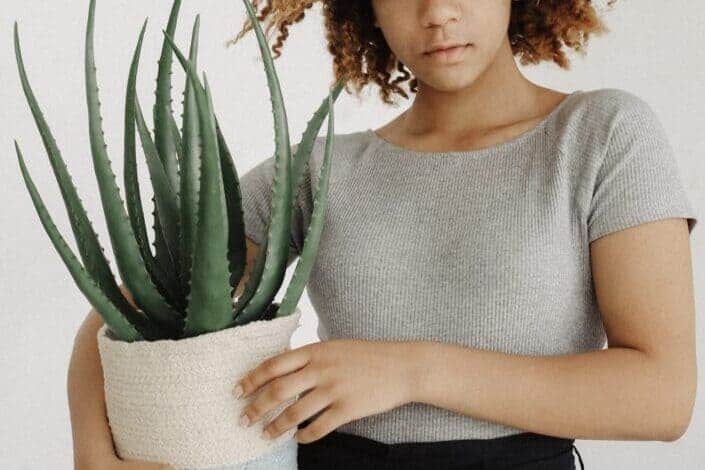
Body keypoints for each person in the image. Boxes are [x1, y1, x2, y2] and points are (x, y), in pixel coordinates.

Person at [68, 1, 698, 469]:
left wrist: (412, 370)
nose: (437, 14)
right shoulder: (319, 171)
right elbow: (123, 315)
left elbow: (662, 396)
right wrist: (93, 456)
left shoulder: (601, 136)